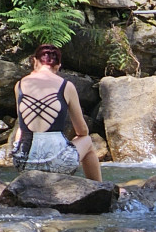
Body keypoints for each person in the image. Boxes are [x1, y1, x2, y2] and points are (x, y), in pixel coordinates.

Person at [11, 44, 101, 180]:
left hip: (23, 163)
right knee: (87, 140)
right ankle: (99, 188)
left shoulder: (19, 85)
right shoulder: (66, 86)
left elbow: (22, 127)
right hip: (58, 164)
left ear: (35, 61)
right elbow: (82, 131)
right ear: (58, 66)